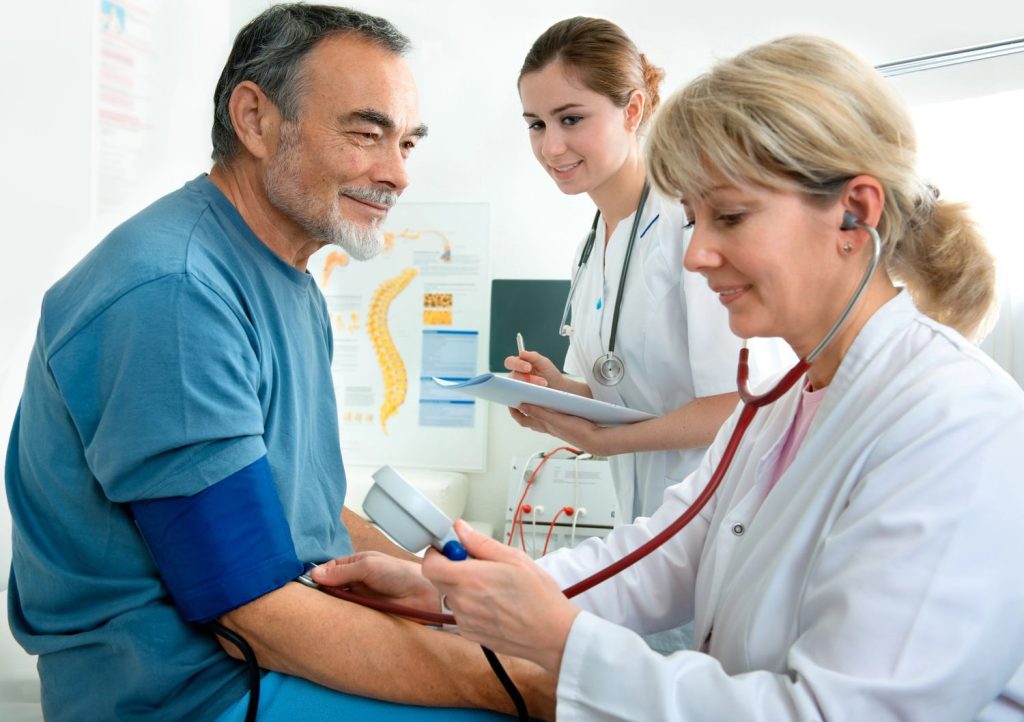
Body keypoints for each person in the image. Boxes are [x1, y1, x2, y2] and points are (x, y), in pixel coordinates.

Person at [315, 35, 1024, 720]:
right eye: (693, 219)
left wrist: (562, 645)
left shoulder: (953, 421)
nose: (697, 255)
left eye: (731, 218)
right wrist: (448, 590)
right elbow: (663, 554)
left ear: (854, 213)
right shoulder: (781, 403)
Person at [4, 5, 552, 721]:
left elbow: (295, 509)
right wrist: (530, 685)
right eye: (365, 134)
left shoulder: (282, 272)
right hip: (198, 695)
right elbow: (251, 614)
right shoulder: (176, 295)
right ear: (255, 120)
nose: (396, 174)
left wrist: (423, 577)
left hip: (259, 647)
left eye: (407, 144)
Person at [506, 17, 788, 524]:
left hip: (725, 511)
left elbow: (743, 401)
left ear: (632, 110)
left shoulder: (691, 224)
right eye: (536, 124)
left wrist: (609, 442)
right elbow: (623, 391)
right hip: (645, 521)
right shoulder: (591, 248)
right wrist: (559, 393)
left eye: (571, 119)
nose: (550, 147)